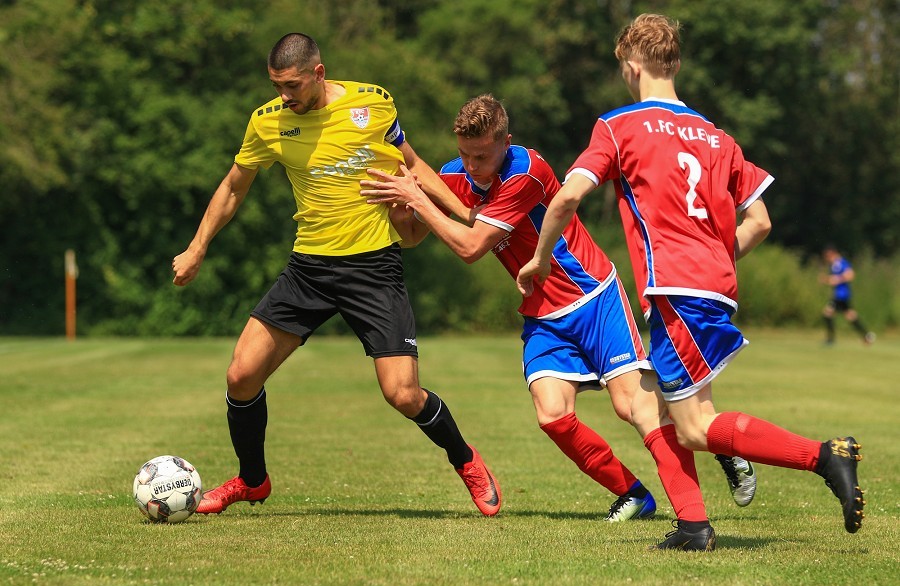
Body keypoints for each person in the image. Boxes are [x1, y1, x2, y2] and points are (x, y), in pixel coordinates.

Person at [516, 14, 865, 548]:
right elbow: (762, 221)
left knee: (696, 426)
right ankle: (693, 525)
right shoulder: (717, 136)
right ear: (674, 63)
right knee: (648, 405)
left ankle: (824, 455)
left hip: (677, 290)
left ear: (631, 66)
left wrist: (540, 259)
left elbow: (565, 197)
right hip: (711, 287)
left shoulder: (618, 126)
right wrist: (714, 265)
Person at [361, 94, 757, 537]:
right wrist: (400, 208)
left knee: (632, 407)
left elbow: (471, 247)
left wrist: (421, 195)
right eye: (464, 155)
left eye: (482, 155)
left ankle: (714, 438)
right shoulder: (457, 176)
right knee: (552, 415)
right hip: (542, 313)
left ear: (505, 142)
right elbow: (415, 234)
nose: (471, 165)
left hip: (592, 297)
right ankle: (634, 494)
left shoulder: (526, 171)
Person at [172, 33, 501, 517]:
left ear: (319, 74)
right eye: (277, 85)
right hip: (308, 268)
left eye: (293, 85)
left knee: (403, 394)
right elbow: (232, 187)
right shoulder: (267, 122)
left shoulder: (374, 103)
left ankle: (466, 460)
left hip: (373, 268)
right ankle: (252, 480)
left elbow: (414, 167)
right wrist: (197, 247)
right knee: (241, 376)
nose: (285, 95)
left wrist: (466, 214)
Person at [820, 245, 875, 345]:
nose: (827, 258)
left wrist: (835, 280)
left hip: (841, 295)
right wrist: (828, 280)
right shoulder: (834, 264)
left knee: (827, 313)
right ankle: (867, 335)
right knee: (850, 315)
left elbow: (850, 275)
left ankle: (830, 340)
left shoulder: (840, 263)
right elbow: (834, 279)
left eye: (827, 256)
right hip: (841, 295)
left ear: (832, 253)